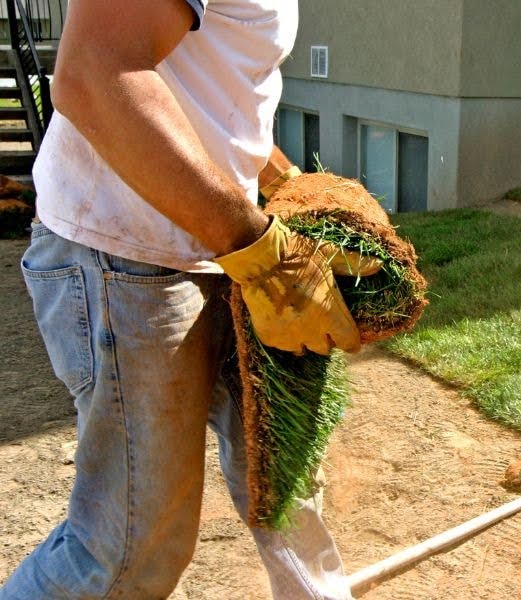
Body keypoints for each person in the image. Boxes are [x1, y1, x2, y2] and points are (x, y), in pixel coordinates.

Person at [0, 1, 365, 598]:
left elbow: (208, 88)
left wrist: (286, 183)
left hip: (218, 245)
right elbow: (94, 73)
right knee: (127, 551)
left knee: (284, 480)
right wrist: (259, 251)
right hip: (127, 252)